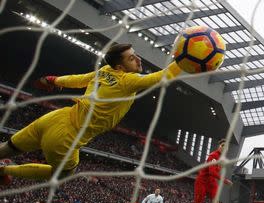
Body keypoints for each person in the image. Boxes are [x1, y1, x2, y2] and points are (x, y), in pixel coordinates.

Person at [0, 44, 182, 182]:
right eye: (132, 58)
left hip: (55, 117)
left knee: (8, 148)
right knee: (63, 174)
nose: (138, 60)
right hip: (66, 137)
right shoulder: (128, 80)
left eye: (136, 56)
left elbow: (79, 80)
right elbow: (161, 77)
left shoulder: (104, 71)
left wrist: (53, 79)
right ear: (120, 67)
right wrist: (185, 60)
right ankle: (5, 171)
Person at [185, 139, 232, 203]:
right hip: (202, 181)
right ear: (219, 146)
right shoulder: (213, 155)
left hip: (211, 182)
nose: (223, 147)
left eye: (225, 146)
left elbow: (215, 171)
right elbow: (211, 172)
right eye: (222, 145)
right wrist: (225, 180)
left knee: (216, 202)